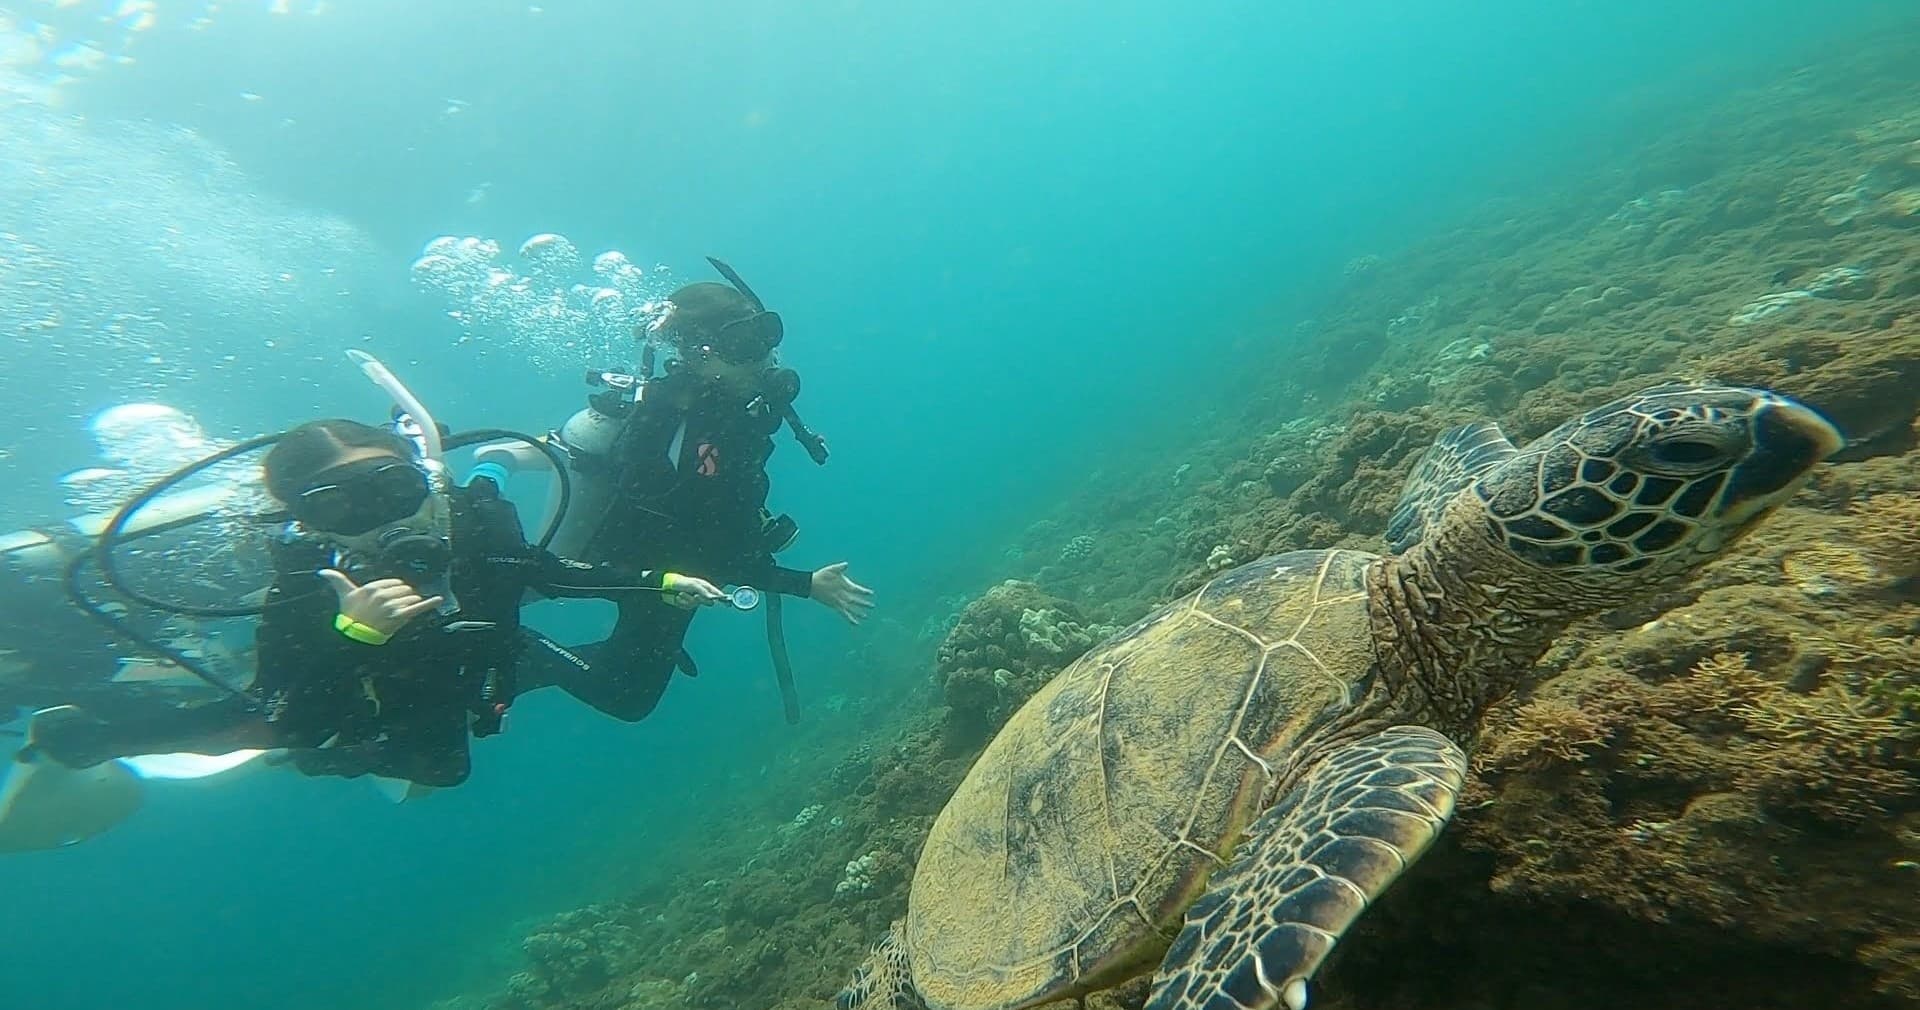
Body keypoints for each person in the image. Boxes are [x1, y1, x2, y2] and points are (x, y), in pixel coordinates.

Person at [26, 418, 730, 788]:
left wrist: (663, 584)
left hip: (479, 663)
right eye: (339, 505)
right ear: (308, 520)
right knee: (440, 769)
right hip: (377, 702)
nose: (380, 522)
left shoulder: (474, 522)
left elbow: (549, 570)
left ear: (422, 479)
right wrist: (350, 637)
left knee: (459, 759)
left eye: (393, 493)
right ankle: (103, 712)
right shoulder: (306, 588)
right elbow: (283, 718)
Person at [485, 259, 873, 724]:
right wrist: (805, 585)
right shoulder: (697, 428)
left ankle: (500, 669)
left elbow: (722, 524)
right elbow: (714, 547)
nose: (764, 355)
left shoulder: (734, 407)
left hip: (671, 561)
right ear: (700, 354)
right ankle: (509, 648)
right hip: (648, 563)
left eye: (766, 334)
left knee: (628, 689)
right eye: (744, 343)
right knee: (623, 692)